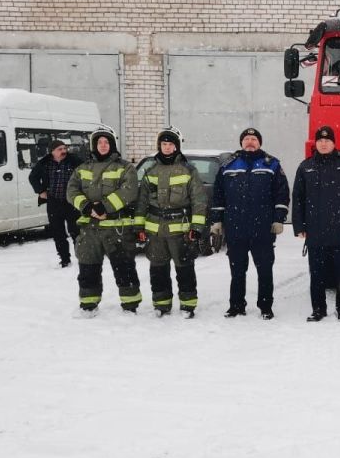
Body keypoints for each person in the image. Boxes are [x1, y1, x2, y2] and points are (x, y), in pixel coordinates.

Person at [210, 127, 290, 320]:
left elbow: (282, 194)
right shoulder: (228, 165)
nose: (250, 142)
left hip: (263, 227)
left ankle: (265, 307)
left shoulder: (272, 164)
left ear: (259, 143)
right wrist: (217, 220)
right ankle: (236, 305)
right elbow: (218, 195)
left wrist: (279, 219)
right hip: (235, 226)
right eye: (246, 139)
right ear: (241, 143)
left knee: (264, 270)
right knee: (237, 270)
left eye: (254, 139)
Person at [292, 125, 340, 323]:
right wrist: (299, 226)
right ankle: (318, 309)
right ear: (315, 144)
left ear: (334, 143)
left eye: (327, 140)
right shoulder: (305, 167)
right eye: (320, 141)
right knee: (317, 275)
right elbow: (298, 199)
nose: (323, 144)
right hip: (315, 231)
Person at [66, 126, 141, 313]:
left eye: (106, 142)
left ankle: (130, 305)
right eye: (99, 142)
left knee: (124, 269)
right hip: (89, 230)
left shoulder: (125, 167)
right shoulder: (82, 168)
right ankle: (88, 304)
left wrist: (104, 207)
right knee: (88, 269)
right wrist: (86, 206)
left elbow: (129, 191)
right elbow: (71, 190)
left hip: (117, 230)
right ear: (94, 145)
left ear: (112, 144)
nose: (103, 145)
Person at [135, 127, 208, 318]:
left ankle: (187, 306)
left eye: (170, 144)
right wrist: (138, 227)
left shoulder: (188, 170)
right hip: (155, 230)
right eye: (164, 144)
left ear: (177, 147)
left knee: (184, 269)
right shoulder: (150, 171)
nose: (167, 147)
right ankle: (161, 305)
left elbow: (199, 201)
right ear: (159, 146)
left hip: (180, 230)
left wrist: (196, 227)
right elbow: (141, 202)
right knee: (158, 270)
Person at [28, 138, 82, 267]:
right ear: (52, 151)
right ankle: (64, 259)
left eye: (64, 148)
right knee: (58, 232)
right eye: (60, 149)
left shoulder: (74, 161)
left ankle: (82, 258)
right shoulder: (45, 163)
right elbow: (32, 177)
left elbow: (86, 175)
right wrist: (40, 191)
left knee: (76, 231)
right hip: (54, 202)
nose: (63, 151)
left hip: (72, 202)